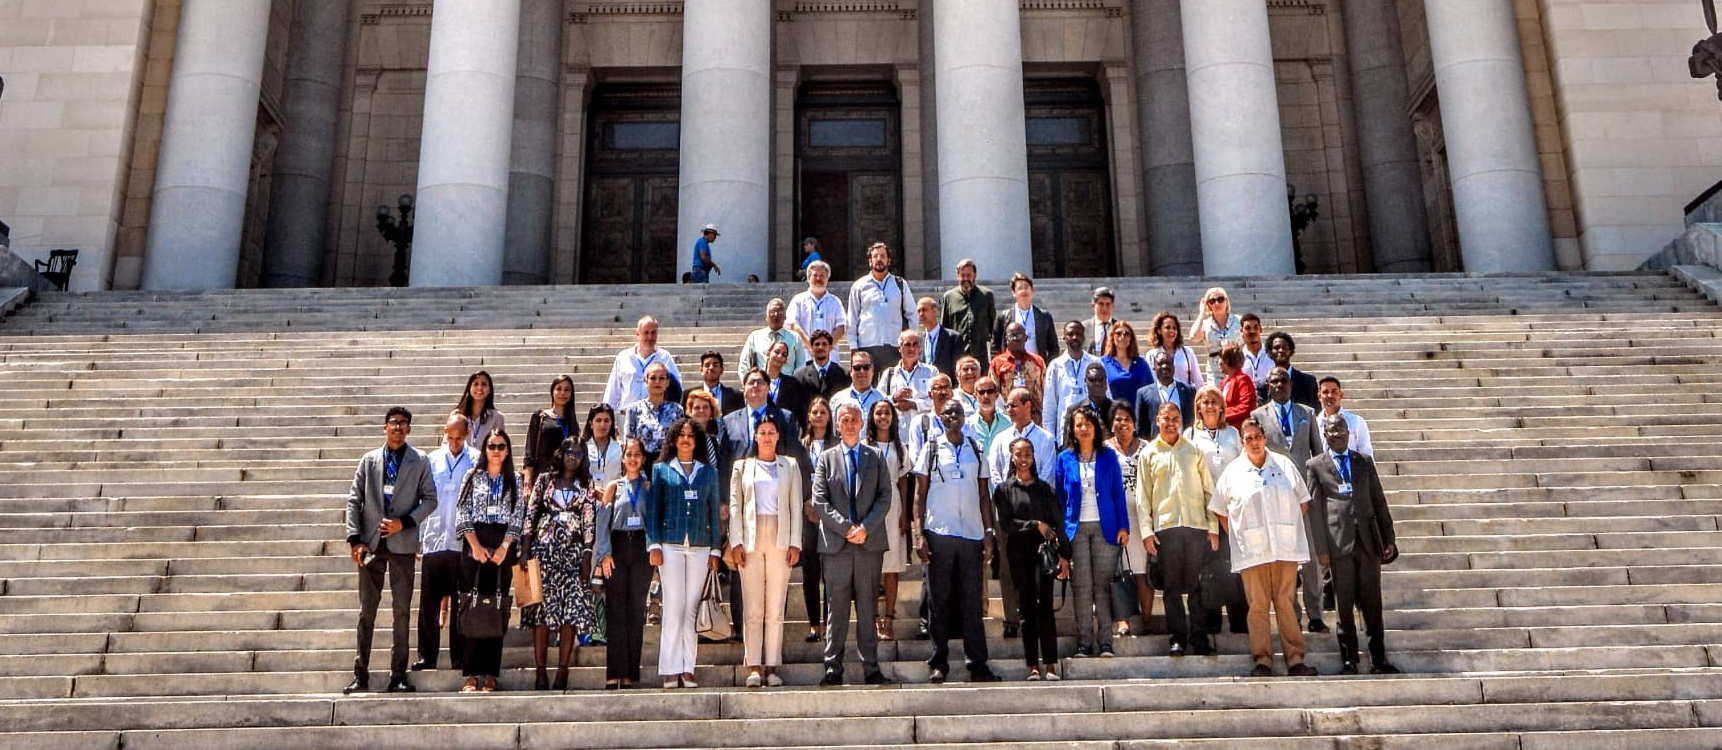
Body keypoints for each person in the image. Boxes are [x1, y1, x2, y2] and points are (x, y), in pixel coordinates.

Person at [1210, 417, 1318, 678]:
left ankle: (1295, 658)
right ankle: (1262, 660)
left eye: (1258, 436)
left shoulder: (1284, 465)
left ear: (1265, 438)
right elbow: (1219, 510)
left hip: (1285, 547)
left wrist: (1284, 528)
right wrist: (1241, 535)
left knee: (1285, 602)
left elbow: (1302, 501)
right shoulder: (1233, 472)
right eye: (1249, 438)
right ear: (1242, 442)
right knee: (1257, 606)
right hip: (1252, 552)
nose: (1254, 442)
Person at [344, 407, 438, 695]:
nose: (398, 428)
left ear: (409, 429)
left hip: (402, 545)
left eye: (403, 424)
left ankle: (398, 674)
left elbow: (430, 499)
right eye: (393, 423)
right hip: (371, 544)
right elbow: (353, 499)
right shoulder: (369, 460)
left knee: (401, 612)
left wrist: (405, 522)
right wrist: (354, 539)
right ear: (384, 427)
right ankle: (361, 674)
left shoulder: (419, 460)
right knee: (366, 612)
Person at [911, 400, 1000, 683]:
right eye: (948, 412)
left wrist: (989, 532)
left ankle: (977, 663)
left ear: (964, 418)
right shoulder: (932, 448)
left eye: (958, 412)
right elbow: (919, 494)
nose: (953, 416)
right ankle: (939, 662)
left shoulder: (976, 449)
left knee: (972, 601)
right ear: (941, 416)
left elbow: (984, 495)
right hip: (939, 532)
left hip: (972, 533)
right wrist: (918, 534)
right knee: (939, 601)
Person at [811, 401, 896, 686]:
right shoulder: (826, 458)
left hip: (868, 544)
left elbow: (885, 496)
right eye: (844, 419)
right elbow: (820, 501)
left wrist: (865, 528)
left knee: (868, 606)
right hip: (836, 545)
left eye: (854, 419)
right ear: (837, 424)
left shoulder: (876, 456)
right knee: (836, 609)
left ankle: (871, 667)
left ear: (862, 424)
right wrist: (847, 528)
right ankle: (833, 667)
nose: (849, 424)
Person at [1306, 418, 1399, 676]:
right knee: (1343, 603)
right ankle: (1349, 660)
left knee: (1373, 602)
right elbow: (1314, 511)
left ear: (1349, 433)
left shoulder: (1363, 462)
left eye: (1341, 430)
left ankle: (1379, 659)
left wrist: (1388, 537)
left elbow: (1379, 500)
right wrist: (1321, 548)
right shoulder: (1315, 466)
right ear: (1325, 434)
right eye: (1332, 430)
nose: (1337, 434)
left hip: (1368, 542)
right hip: (1338, 544)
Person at [644, 418, 724, 689]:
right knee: (673, 607)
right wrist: (654, 544)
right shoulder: (661, 470)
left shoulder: (708, 473)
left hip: (701, 545)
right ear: (674, 440)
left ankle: (687, 668)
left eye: (691, 436)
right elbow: (654, 509)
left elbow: (714, 512)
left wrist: (715, 548)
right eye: (682, 436)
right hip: (671, 545)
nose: (686, 440)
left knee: (691, 608)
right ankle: (669, 668)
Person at [1138, 402, 1221, 657]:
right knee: (1172, 587)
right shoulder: (1149, 453)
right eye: (1166, 418)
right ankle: (1177, 637)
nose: (1171, 423)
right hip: (1166, 528)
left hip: (1196, 526)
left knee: (1197, 586)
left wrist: (1213, 527)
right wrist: (1146, 531)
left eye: (1176, 418)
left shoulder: (1193, 450)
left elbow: (1209, 490)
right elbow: (1143, 496)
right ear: (1157, 420)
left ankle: (1200, 636)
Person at [727, 417, 804, 688]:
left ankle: (772, 666)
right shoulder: (742, 467)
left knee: (775, 606)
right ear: (756, 436)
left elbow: (795, 505)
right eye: (762, 433)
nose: (767, 437)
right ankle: (754, 666)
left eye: (771, 432)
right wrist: (736, 541)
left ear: (778, 435)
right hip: (751, 536)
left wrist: (796, 542)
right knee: (753, 606)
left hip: (780, 536)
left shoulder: (790, 465)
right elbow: (735, 506)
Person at [520, 437, 600, 690]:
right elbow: (531, 514)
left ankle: (563, 669)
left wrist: (588, 554)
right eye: (569, 451)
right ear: (561, 452)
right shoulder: (545, 480)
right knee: (541, 611)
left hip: (573, 553)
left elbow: (589, 520)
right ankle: (540, 670)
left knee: (571, 611)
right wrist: (524, 550)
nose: (572, 457)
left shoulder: (585, 484)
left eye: (578, 453)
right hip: (543, 551)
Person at [1252, 367, 1327, 632]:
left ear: (1291, 384)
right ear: (1268, 386)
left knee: (1312, 561)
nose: (1279, 385)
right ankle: (1290, 614)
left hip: (1307, 496)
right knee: (1285, 560)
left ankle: (1315, 614)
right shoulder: (1257, 416)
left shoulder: (1306, 413)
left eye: (1284, 381)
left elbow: (1319, 455)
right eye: (1274, 382)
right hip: (1276, 498)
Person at [982, 386, 1058, 639]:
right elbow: (995, 474)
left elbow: (1047, 475)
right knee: (1007, 567)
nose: (1009, 410)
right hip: (1008, 513)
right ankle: (1012, 617)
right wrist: (1008, 499)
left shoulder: (1045, 439)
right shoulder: (1001, 439)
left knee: (1036, 565)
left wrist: (1032, 500)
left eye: (1014, 405)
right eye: (1008, 406)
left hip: (1038, 512)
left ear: (1028, 406)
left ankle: (1035, 611)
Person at [993, 438, 1071, 680]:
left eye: (1028, 453)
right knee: (1026, 610)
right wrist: (1035, 525)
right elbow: (1006, 523)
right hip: (1018, 555)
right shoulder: (1004, 490)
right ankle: (1032, 666)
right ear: (1012, 457)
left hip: (1043, 556)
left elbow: (1058, 522)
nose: (1024, 458)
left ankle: (1050, 664)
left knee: (1045, 608)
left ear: (1034, 456)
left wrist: (1066, 556)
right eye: (1019, 454)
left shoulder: (1044, 490)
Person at [1055, 407, 1130, 658]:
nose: (1084, 428)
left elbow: (1117, 493)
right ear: (1073, 430)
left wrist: (1123, 526)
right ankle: (1084, 643)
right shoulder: (1064, 458)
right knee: (1082, 586)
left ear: (1096, 428)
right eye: (1079, 425)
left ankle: (1106, 641)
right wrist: (1060, 532)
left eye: (1088, 424)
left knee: (1102, 586)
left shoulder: (1108, 456)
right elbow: (1060, 497)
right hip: (1076, 529)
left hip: (1105, 528)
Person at [454, 427, 525, 692]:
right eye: (492, 446)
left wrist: (505, 546)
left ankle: (491, 673)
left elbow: (519, 514)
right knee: (473, 605)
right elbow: (462, 512)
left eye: (501, 447)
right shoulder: (473, 477)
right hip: (475, 541)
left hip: (502, 544)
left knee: (495, 606)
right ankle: (471, 674)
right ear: (484, 449)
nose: (496, 451)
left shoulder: (514, 479)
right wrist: (474, 545)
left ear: (507, 451)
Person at [413, 412, 471, 674]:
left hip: (462, 541)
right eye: (451, 437)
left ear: (467, 435)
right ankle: (427, 656)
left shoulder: (476, 459)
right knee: (429, 602)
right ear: (444, 434)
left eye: (460, 437)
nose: (455, 442)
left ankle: (459, 656)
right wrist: (418, 536)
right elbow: (421, 498)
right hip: (434, 538)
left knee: (461, 601)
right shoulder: (431, 460)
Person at [595, 438, 652, 689]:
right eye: (629, 454)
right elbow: (602, 525)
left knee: (635, 610)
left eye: (637, 454)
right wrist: (604, 554)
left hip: (641, 547)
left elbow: (653, 520)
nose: (632, 458)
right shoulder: (613, 487)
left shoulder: (649, 486)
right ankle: (613, 671)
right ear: (623, 457)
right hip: (617, 547)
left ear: (643, 458)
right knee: (615, 609)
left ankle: (630, 673)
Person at [862, 399, 911, 641]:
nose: (883, 417)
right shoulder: (863, 446)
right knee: (871, 567)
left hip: (893, 507)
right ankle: (872, 619)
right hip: (869, 507)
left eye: (887, 413)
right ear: (871, 417)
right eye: (878, 413)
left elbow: (903, 480)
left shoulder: (899, 448)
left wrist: (904, 513)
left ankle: (889, 619)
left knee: (892, 566)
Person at [1105, 402, 1154, 639]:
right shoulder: (1104, 450)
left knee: (1143, 571)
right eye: (1117, 419)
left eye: (1127, 419)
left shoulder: (1147, 448)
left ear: (1134, 424)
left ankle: (1146, 620)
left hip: (1142, 518)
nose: (1122, 423)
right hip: (1116, 519)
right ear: (1111, 424)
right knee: (1120, 571)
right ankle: (1123, 621)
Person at [798, 396, 836, 644]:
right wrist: (806, 502)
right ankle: (814, 625)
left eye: (824, 411)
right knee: (810, 573)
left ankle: (830, 623)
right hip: (807, 514)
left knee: (830, 574)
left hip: (832, 515)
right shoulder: (802, 445)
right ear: (809, 417)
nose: (819, 415)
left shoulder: (838, 444)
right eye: (815, 412)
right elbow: (798, 475)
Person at [847, 242, 915, 372]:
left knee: (893, 387)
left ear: (888, 261)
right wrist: (853, 347)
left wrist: (911, 341)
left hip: (895, 346)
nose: (879, 259)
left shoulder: (900, 284)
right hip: (867, 345)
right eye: (875, 256)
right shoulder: (859, 286)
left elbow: (912, 314)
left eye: (883, 256)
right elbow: (852, 318)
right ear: (870, 261)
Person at [602, 316, 682, 410]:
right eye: (646, 332)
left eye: (653, 332)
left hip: (655, 417)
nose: (650, 337)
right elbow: (612, 391)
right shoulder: (624, 357)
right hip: (626, 417)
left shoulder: (665, 358)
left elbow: (677, 389)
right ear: (637, 334)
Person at [1044, 320, 1099, 446]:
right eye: (1070, 334)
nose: (1075, 337)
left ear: (1084, 337)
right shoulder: (1055, 366)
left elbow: (1106, 396)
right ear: (1064, 337)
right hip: (1065, 435)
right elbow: (1049, 406)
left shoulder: (1095, 363)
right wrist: (1051, 439)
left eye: (1078, 334)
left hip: (1092, 433)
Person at [617, 362, 685, 461]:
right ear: (646, 381)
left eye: (661, 378)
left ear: (667, 382)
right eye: (653, 378)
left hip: (669, 465)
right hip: (642, 465)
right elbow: (629, 441)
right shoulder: (634, 409)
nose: (657, 381)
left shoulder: (677, 410)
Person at [523, 375, 579, 487]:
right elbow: (530, 449)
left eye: (567, 390)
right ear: (552, 391)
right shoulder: (540, 416)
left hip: (565, 479)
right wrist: (527, 478)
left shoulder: (572, 421)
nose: (563, 393)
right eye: (558, 389)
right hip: (542, 476)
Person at [989, 322, 1046, 425]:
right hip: (1007, 418)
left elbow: (1045, 390)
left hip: (1035, 419)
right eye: (1011, 336)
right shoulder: (997, 363)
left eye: (1019, 335)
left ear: (1026, 337)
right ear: (1006, 339)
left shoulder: (1038, 362)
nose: (1015, 339)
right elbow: (994, 392)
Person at [990, 273, 1056, 361]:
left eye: (1026, 287)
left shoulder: (1044, 316)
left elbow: (1054, 347)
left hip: (1035, 367)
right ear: (1014, 292)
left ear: (1032, 290)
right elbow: (995, 346)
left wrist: (1045, 366)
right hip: (1011, 366)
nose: (1024, 291)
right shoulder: (1003, 317)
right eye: (1020, 288)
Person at [941, 258, 996, 362]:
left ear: (974, 276)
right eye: (962, 275)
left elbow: (994, 327)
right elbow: (945, 329)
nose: (966, 278)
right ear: (958, 276)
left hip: (982, 355)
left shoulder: (986, 295)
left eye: (969, 275)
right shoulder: (949, 297)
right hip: (958, 354)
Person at [739, 298, 809, 379]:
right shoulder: (755, 337)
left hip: (787, 387)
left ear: (785, 316)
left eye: (780, 312)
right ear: (766, 316)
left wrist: (793, 386)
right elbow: (744, 364)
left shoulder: (795, 338)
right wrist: (748, 383)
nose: (776, 315)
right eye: (772, 311)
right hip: (761, 386)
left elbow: (801, 365)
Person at [880, 329, 937, 425]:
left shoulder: (931, 372)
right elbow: (878, 401)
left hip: (923, 430)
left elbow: (938, 399)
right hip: (896, 431)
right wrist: (894, 398)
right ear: (899, 348)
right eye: (907, 345)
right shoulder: (889, 374)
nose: (912, 348)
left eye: (915, 344)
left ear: (919, 348)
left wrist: (914, 404)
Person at [1188, 286, 1243, 384]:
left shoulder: (1238, 321)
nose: (1217, 303)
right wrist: (1202, 313)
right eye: (1212, 301)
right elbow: (1194, 336)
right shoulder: (1205, 324)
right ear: (1208, 305)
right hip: (1215, 373)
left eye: (1220, 299)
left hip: (1237, 369)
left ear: (1226, 302)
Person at [788, 261, 848, 349]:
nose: (818, 278)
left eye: (822, 276)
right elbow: (793, 325)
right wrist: (810, 346)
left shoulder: (835, 301)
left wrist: (827, 347)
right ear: (808, 278)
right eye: (815, 275)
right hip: (805, 356)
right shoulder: (798, 300)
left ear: (827, 278)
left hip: (830, 357)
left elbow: (841, 327)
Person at [1133, 348, 1196, 432]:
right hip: (1156, 444)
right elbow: (1140, 428)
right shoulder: (1143, 393)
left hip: (1183, 443)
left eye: (1168, 363)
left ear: (1173, 366)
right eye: (1160, 364)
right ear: (1154, 367)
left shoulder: (1189, 391)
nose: (1164, 366)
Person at [1316, 376, 1374, 457]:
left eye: (1334, 391)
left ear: (1341, 395)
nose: (1330, 395)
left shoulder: (1356, 421)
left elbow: (1366, 452)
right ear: (1319, 396)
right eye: (1325, 392)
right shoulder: (1315, 423)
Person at [1148, 311, 1204, 390]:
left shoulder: (1187, 352)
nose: (1172, 331)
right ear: (1159, 330)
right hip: (1162, 397)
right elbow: (1151, 380)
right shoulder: (1152, 355)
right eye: (1168, 327)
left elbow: (1198, 380)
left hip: (1185, 397)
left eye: (1174, 328)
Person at [1260, 332, 1318, 409]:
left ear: (1290, 351)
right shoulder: (1263, 385)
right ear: (1270, 352)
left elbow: (1315, 412)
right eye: (1276, 348)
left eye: (1284, 347)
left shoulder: (1308, 382)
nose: (1281, 350)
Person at [1102, 320, 1152, 407]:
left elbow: (1151, 390)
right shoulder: (1104, 363)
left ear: (1131, 337)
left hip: (1138, 416)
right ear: (1112, 337)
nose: (1122, 336)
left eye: (1126, 334)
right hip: (1113, 415)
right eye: (1118, 333)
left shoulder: (1141, 363)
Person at [1061, 363, 1113, 446]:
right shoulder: (1074, 410)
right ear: (1085, 382)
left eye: (1100, 379)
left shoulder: (1116, 409)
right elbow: (1067, 446)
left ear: (1106, 382)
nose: (1097, 383)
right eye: (1092, 380)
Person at [919, 296, 968, 378]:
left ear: (935, 311)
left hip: (945, 386)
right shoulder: (919, 340)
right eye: (918, 311)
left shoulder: (953, 338)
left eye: (924, 310)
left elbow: (958, 367)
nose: (921, 314)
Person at [794, 329, 851, 400]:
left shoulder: (844, 375)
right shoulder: (799, 376)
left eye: (824, 344)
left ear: (830, 347)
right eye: (817, 344)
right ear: (811, 347)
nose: (820, 347)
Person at [454, 371, 504, 451]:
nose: (479, 388)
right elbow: (446, 443)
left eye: (484, 384)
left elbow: (500, 445)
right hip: (461, 461)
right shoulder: (457, 415)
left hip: (484, 462)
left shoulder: (497, 417)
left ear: (489, 390)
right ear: (469, 388)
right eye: (476, 384)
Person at [829, 349, 886, 417]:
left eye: (866, 367)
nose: (862, 371)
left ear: (872, 370)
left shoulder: (883, 399)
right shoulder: (837, 400)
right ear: (851, 371)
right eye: (857, 368)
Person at [689, 350, 744, 416]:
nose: (711, 367)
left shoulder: (736, 396)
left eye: (715, 365)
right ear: (701, 370)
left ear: (722, 370)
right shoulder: (689, 395)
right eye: (707, 365)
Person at [1218, 344, 1258, 430]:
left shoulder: (1243, 380)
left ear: (1228, 360)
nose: (1219, 362)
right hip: (1226, 428)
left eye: (1221, 359)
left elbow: (1245, 407)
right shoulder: (1224, 382)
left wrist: (1222, 414)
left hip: (1240, 429)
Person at [967, 376, 1010, 456]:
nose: (986, 396)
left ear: (997, 395)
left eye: (990, 391)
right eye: (981, 392)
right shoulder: (967, 425)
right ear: (975, 396)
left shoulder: (1009, 424)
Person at [583, 404, 624, 487]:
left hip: (615, 496)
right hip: (589, 497)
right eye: (598, 420)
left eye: (606, 421)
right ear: (591, 423)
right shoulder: (583, 447)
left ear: (611, 423)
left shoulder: (620, 447)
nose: (602, 425)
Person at [1239, 313, 1272, 386]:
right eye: (1247, 328)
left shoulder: (1271, 354)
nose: (1252, 331)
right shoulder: (1238, 356)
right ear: (1241, 330)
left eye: (1255, 327)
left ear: (1260, 329)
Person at [1084, 287, 1117, 356]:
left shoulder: (1120, 327)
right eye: (1101, 304)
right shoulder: (1083, 327)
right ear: (1093, 305)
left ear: (1113, 306)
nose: (1104, 308)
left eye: (1108, 304)